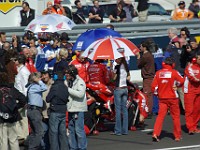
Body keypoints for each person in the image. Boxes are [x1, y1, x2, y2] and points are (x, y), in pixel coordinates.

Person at [151, 57, 184, 142]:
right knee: (176, 117)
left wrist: (157, 94)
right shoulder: (174, 72)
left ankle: (155, 133)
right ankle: (177, 136)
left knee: (160, 117)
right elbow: (182, 80)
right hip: (173, 98)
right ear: (173, 65)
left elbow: (153, 87)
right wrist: (177, 86)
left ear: (163, 64)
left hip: (162, 98)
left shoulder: (158, 73)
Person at [0, 72, 27, 150]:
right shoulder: (12, 90)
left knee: (3, 140)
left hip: (1, 118)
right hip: (13, 116)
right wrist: (16, 107)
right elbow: (23, 99)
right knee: (13, 139)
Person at [64, 65, 87, 150]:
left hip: (78, 109)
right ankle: (73, 148)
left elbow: (80, 94)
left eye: (68, 73)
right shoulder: (68, 81)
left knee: (79, 131)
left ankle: (82, 148)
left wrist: (68, 89)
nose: (66, 75)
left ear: (72, 73)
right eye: (65, 73)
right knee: (71, 130)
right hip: (70, 109)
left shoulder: (80, 81)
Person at [46, 71, 69, 150]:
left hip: (55, 111)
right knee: (62, 133)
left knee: (53, 133)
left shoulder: (54, 87)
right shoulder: (65, 87)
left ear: (55, 78)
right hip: (63, 111)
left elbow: (48, 99)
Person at [26, 72, 47, 150]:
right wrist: (39, 81)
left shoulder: (31, 86)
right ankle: (33, 147)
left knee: (34, 132)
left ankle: (30, 146)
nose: (40, 79)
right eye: (39, 77)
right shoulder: (35, 86)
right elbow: (45, 88)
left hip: (32, 110)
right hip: (35, 110)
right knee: (40, 131)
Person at [111, 56, 130, 135]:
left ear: (120, 59)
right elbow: (129, 77)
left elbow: (113, 78)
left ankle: (118, 130)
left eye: (116, 58)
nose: (115, 60)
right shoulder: (126, 66)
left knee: (118, 110)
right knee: (125, 109)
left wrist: (112, 72)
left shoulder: (117, 67)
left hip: (118, 89)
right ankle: (125, 130)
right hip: (125, 89)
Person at [14, 54, 30, 144]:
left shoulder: (23, 71)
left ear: (19, 61)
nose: (14, 61)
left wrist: (24, 100)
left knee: (18, 116)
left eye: (16, 60)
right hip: (20, 96)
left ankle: (22, 136)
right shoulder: (20, 70)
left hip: (21, 97)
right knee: (23, 117)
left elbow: (25, 86)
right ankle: (24, 135)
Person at [136, 41, 155, 117]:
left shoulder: (146, 56)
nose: (139, 48)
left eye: (141, 47)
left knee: (147, 95)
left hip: (148, 77)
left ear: (144, 47)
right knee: (149, 94)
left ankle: (148, 111)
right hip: (149, 77)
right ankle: (149, 110)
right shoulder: (149, 55)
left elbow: (139, 65)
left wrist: (138, 57)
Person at [184, 52, 200, 134]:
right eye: (199, 59)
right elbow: (192, 77)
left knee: (197, 110)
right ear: (195, 59)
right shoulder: (189, 67)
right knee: (189, 110)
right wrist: (198, 80)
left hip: (198, 91)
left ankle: (194, 126)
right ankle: (190, 127)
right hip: (189, 91)